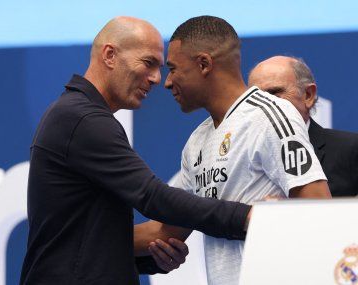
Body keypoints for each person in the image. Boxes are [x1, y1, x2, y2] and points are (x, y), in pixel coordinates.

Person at [19, 16, 256, 285]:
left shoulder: (78, 115)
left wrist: (148, 259)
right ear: (110, 55)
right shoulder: (83, 119)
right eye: (148, 63)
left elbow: (81, 239)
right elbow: (152, 196)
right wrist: (248, 216)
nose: (157, 79)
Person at [134, 16, 331, 285]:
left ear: (204, 64)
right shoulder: (196, 142)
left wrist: (274, 219)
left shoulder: (271, 115)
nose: (167, 82)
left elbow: (320, 211)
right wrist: (82, 241)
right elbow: (167, 230)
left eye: (173, 69)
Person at [248, 55, 358, 196]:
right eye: (256, 97)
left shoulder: (350, 150)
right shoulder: (238, 156)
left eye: (274, 93)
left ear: (308, 95)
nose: (264, 104)